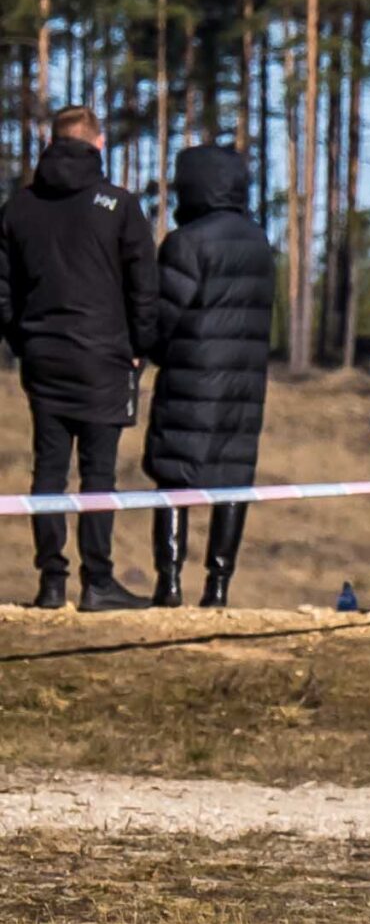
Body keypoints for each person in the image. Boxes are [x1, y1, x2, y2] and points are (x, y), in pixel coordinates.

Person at [0, 105, 160, 611]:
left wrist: (24, 342)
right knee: (98, 474)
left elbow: (3, 291)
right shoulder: (118, 204)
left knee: (47, 471)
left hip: (43, 357)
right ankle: (98, 582)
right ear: (98, 144)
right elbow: (144, 287)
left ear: (52, 143)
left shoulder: (18, 208)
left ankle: (51, 581)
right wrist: (141, 347)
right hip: (104, 356)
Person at [141, 144, 271, 609]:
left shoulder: (186, 242)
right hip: (245, 388)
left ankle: (169, 583)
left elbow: (162, 318)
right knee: (233, 480)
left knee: (174, 478)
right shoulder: (259, 242)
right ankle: (218, 587)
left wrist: (148, 350)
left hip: (190, 382)